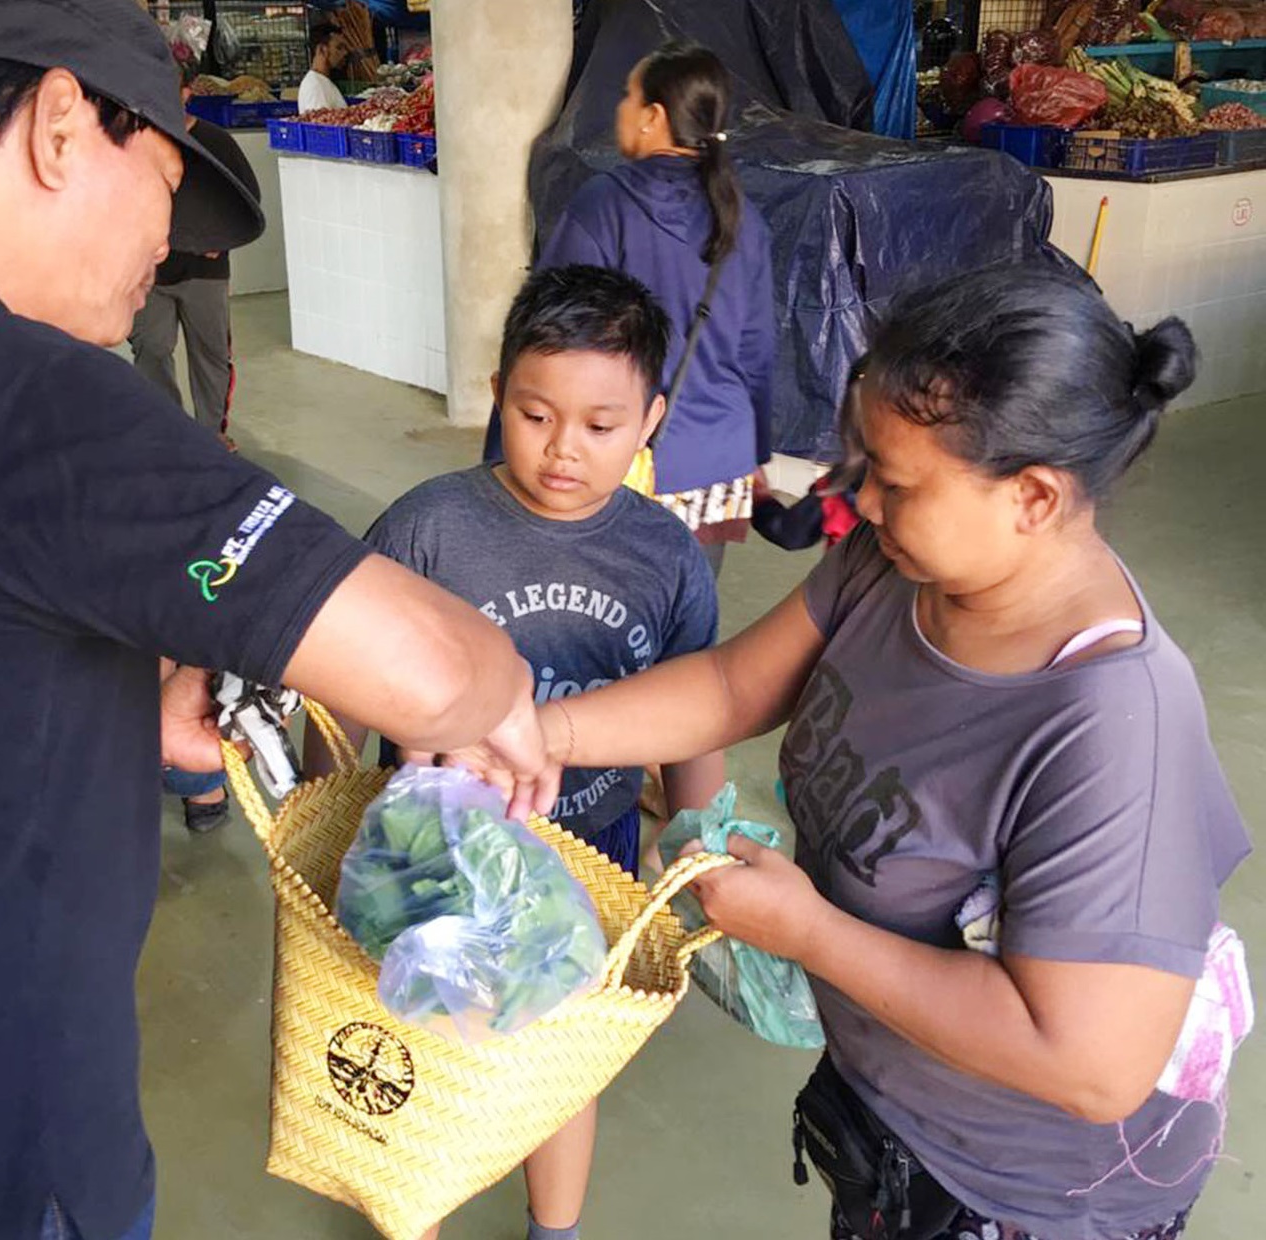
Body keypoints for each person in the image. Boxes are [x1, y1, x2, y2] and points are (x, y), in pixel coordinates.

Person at [0, 3, 553, 1239]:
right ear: (59, 125)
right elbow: (431, 671)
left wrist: (109, 715)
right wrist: (500, 685)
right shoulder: (29, 394)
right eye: (167, 185)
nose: (170, 243)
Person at [459, 265, 1252, 1240]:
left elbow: (1090, 1064)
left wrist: (810, 933)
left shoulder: (1113, 726)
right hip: (889, 1113)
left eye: (896, 482)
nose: (862, 502)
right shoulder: (899, 562)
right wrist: (541, 733)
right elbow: (734, 685)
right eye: (864, 465)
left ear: (1032, 497)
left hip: (1021, 1196)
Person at [306, 264, 726, 1240]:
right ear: (499, 394)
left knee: (557, 1057)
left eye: (600, 424)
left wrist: (695, 848)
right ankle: (414, 1215)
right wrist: (325, 826)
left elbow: (692, 714)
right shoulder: (428, 528)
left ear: (650, 419)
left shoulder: (666, 557)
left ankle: (554, 1228)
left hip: (590, 854)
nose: (563, 448)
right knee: (419, 1049)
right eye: (536, 415)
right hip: (429, 855)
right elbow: (341, 675)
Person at [485, 39, 776, 580]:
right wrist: (755, 454)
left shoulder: (606, 203)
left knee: (597, 606)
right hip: (716, 461)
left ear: (653, 117)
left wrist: (502, 450)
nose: (620, 108)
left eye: (628, 96)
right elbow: (758, 351)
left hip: (618, 459)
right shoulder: (744, 218)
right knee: (687, 609)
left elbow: (546, 337)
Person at [128, 57, 259, 456]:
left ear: (188, 92)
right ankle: (168, 430)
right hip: (150, 272)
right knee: (151, 348)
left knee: (211, 354)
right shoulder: (134, 141)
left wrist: (223, 237)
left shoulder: (217, 142)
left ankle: (210, 434)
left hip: (206, 272)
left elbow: (248, 200)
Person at [298, 18, 348, 114]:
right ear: (322, 49)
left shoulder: (323, 81)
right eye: (339, 48)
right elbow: (320, 121)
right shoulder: (315, 86)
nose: (345, 53)